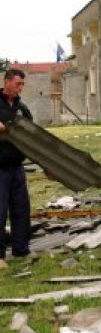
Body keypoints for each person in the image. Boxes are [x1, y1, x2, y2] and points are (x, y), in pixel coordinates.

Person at [0, 68, 32, 269]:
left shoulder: (22, 108)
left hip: (17, 167)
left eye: (22, 85)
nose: (20, 88)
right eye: (18, 84)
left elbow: (34, 139)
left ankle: (21, 250)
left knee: (21, 209)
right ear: (7, 82)